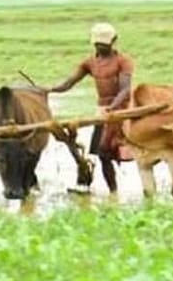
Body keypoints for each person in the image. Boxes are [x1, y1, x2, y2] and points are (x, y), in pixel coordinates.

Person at [48, 22, 135, 194]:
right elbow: (69, 83)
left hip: (122, 108)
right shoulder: (90, 63)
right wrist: (50, 89)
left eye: (104, 45)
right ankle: (112, 192)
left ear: (113, 41)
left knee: (108, 151)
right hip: (102, 110)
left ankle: (115, 191)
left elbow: (125, 89)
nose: (100, 48)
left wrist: (113, 107)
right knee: (102, 154)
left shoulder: (123, 61)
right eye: (97, 45)